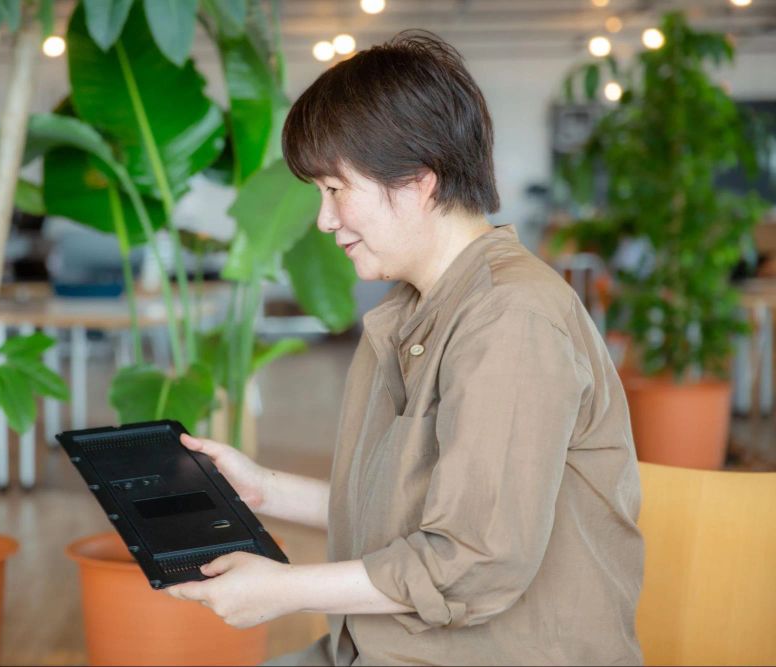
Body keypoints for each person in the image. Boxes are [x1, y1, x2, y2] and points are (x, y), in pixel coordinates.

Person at [166, 31, 643, 666]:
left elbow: (475, 561)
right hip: (384, 647)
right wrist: (264, 491)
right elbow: (412, 515)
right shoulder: (414, 310)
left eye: (336, 189)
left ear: (418, 182)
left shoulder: (510, 319)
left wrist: (284, 592)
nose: (324, 220)